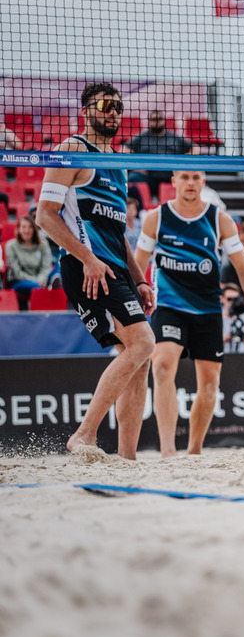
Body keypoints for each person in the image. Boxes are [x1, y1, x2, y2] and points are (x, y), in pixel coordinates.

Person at [34, 82, 156, 459]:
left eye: (119, 108)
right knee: (144, 343)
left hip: (115, 270)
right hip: (86, 268)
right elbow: (44, 217)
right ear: (85, 110)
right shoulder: (72, 149)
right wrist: (87, 258)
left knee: (138, 358)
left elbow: (118, 235)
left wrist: (139, 279)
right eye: (106, 105)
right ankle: (84, 434)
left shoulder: (118, 165)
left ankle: (127, 458)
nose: (114, 113)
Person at [135, 169, 244, 457]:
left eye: (196, 177)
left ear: (203, 181)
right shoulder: (155, 218)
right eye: (184, 177)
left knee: (209, 384)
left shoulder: (219, 220)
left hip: (207, 309)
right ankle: (168, 451)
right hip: (169, 305)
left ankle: (194, 451)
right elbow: (137, 265)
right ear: (173, 181)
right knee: (161, 366)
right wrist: (135, 297)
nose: (191, 182)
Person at [125, 109, 196, 203]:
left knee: (189, 179)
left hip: (171, 177)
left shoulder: (174, 137)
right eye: (154, 120)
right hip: (149, 178)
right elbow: (124, 150)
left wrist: (183, 164)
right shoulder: (142, 137)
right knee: (133, 177)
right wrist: (137, 166)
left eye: (159, 119)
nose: (157, 122)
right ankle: (137, 209)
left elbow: (195, 148)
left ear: (164, 121)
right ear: (149, 122)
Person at [4, 216, 51, 310]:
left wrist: (41, 279)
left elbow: (46, 267)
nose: (27, 230)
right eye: (24, 227)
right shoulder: (11, 246)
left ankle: (53, 282)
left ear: (34, 229)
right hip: (19, 282)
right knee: (36, 287)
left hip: (40, 280)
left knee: (60, 265)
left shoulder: (43, 244)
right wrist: (37, 282)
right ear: (18, 230)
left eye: (30, 227)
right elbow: (17, 272)